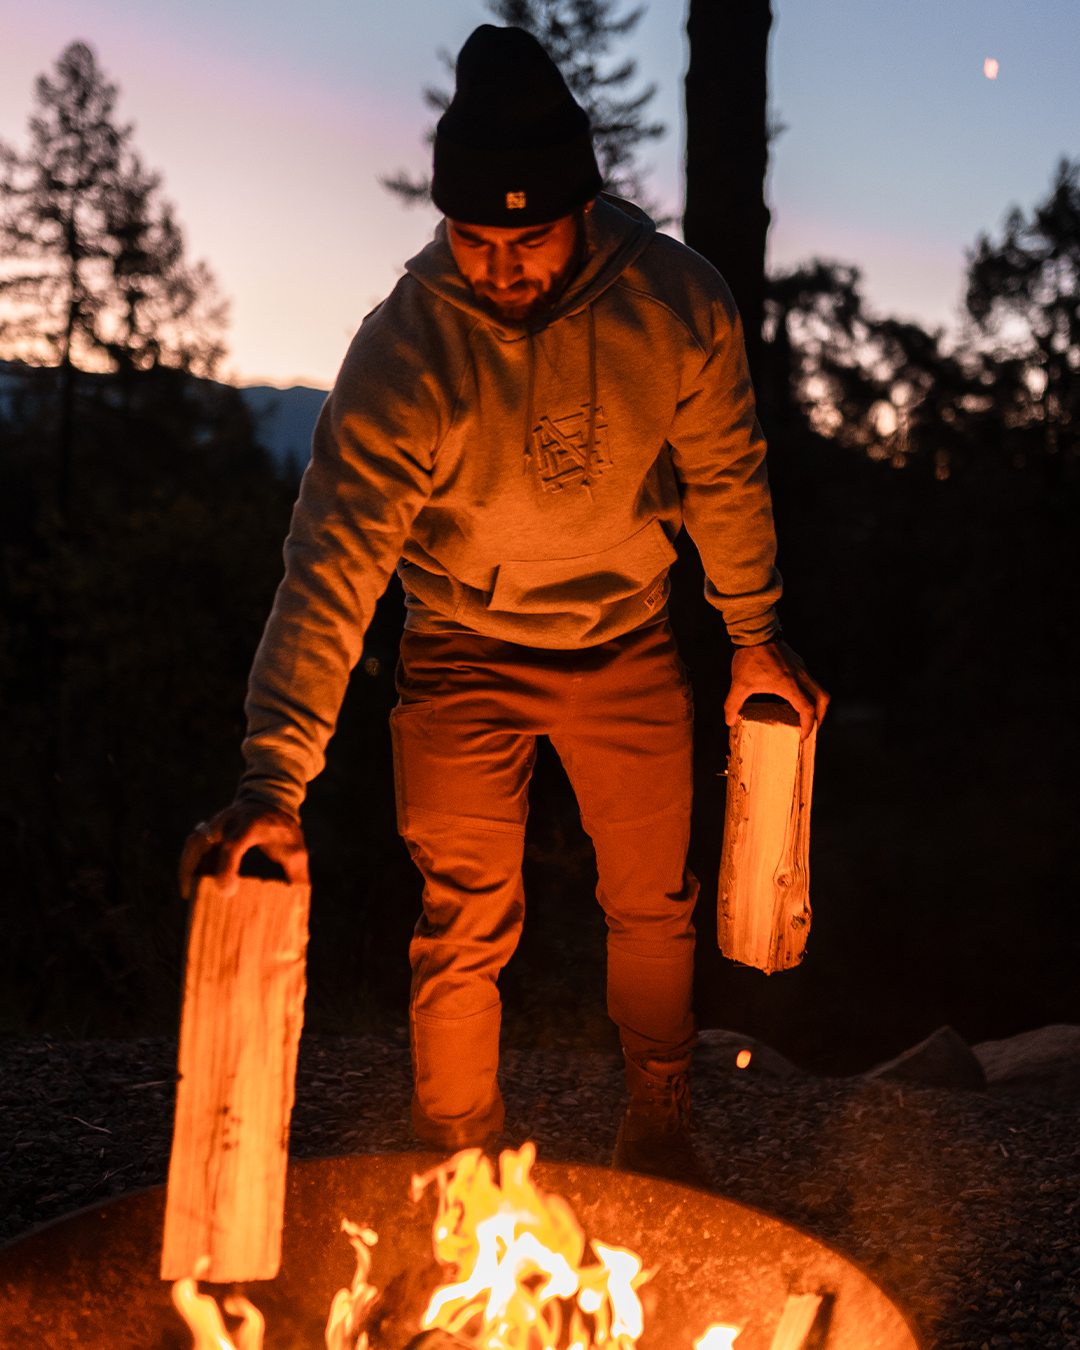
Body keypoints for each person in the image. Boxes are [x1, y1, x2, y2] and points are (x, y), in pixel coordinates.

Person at [179, 24, 828, 1186]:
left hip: (625, 635)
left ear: (582, 204)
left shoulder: (678, 305)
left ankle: (661, 1118)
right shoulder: (407, 350)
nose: (501, 267)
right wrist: (272, 782)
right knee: (462, 918)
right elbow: (330, 563)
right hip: (460, 648)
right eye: (474, 239)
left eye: (527, 238)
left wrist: (755, 638)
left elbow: (726, 473)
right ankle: (456, 1164)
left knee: (654, 901)